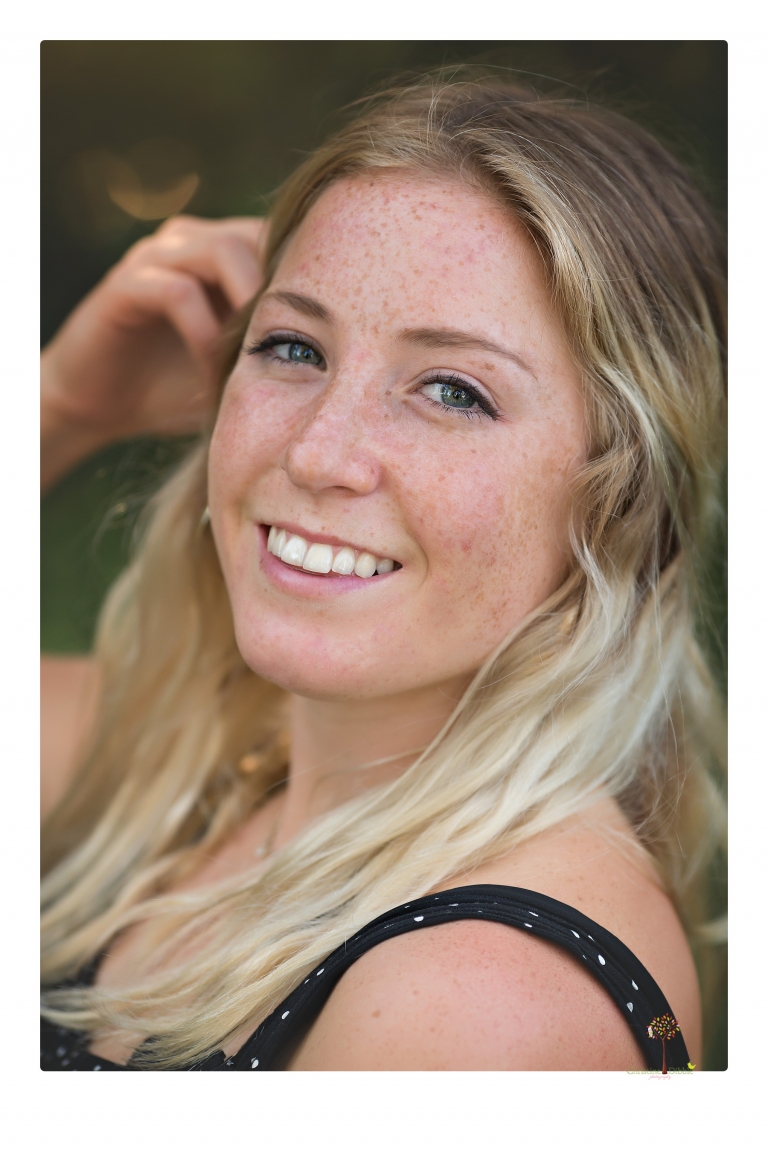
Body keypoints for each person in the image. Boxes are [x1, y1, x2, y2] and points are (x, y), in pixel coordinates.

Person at [40, 75, 726, 1071]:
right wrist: (61, 404)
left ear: (619, 499)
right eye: (293, 346)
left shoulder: (481, 998)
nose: (319, 452)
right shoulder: (193, 772)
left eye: (452, 390)